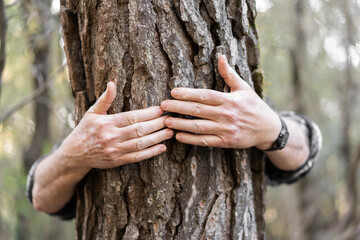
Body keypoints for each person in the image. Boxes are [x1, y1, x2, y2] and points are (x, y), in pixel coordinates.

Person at [26, 56, 322, 220]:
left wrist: (273, 129)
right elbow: (40, 196)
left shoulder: (242, 111)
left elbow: (305, 149)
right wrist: (72, 156)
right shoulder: (95, 130)